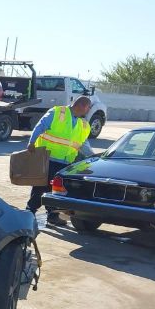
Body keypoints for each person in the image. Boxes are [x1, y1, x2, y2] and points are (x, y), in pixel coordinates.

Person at [25, 96, 93, 226]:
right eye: (88, 107)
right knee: (40, 187)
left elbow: (84, 144)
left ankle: (52, 215)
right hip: (48, 158)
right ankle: (30, 212)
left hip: (65, 164)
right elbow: (40, 126)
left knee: (56, 190)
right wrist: (31, 142)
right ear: (83, 106)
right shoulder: (57, 112)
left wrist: (93, 157)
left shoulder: (83, 124)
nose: (88, 110)